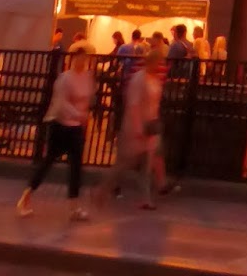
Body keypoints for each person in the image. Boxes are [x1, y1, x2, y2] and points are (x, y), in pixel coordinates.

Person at [16, 44, 96, 221]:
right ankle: (25, 197)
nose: (82, 61)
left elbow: (88, 98)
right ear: (73, 58)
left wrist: (83, 117)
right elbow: (61, 103)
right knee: (48, 162)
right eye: (79, 57)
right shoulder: (64, 78)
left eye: (85, 57)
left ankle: (74, 206)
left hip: (76, 127)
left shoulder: (87, 78)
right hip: (60, 125)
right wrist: (79, 114)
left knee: (76, 166)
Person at [102, 49, 167, 209]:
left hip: (149, 125)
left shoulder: (153, 80)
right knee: (125, 163)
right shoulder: (140, 79)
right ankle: (103, 189)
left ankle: (146, 198)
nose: (160, 66)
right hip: (136, 127)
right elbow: (133, 105)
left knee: (145, 164)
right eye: (158, 62)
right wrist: (138, 127)